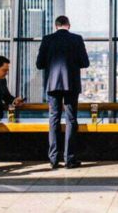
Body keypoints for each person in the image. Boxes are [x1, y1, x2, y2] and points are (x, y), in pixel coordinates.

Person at [36, 15, 90, 169]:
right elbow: (85, 63)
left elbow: (39, 64)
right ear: (69, 25)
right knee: (71, 119)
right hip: (71, 84)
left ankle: (53, 159)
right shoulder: (77, 39)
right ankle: (69, 159)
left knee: (53, 119)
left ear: (55, 26)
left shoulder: (47, 39)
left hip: (53, 85)